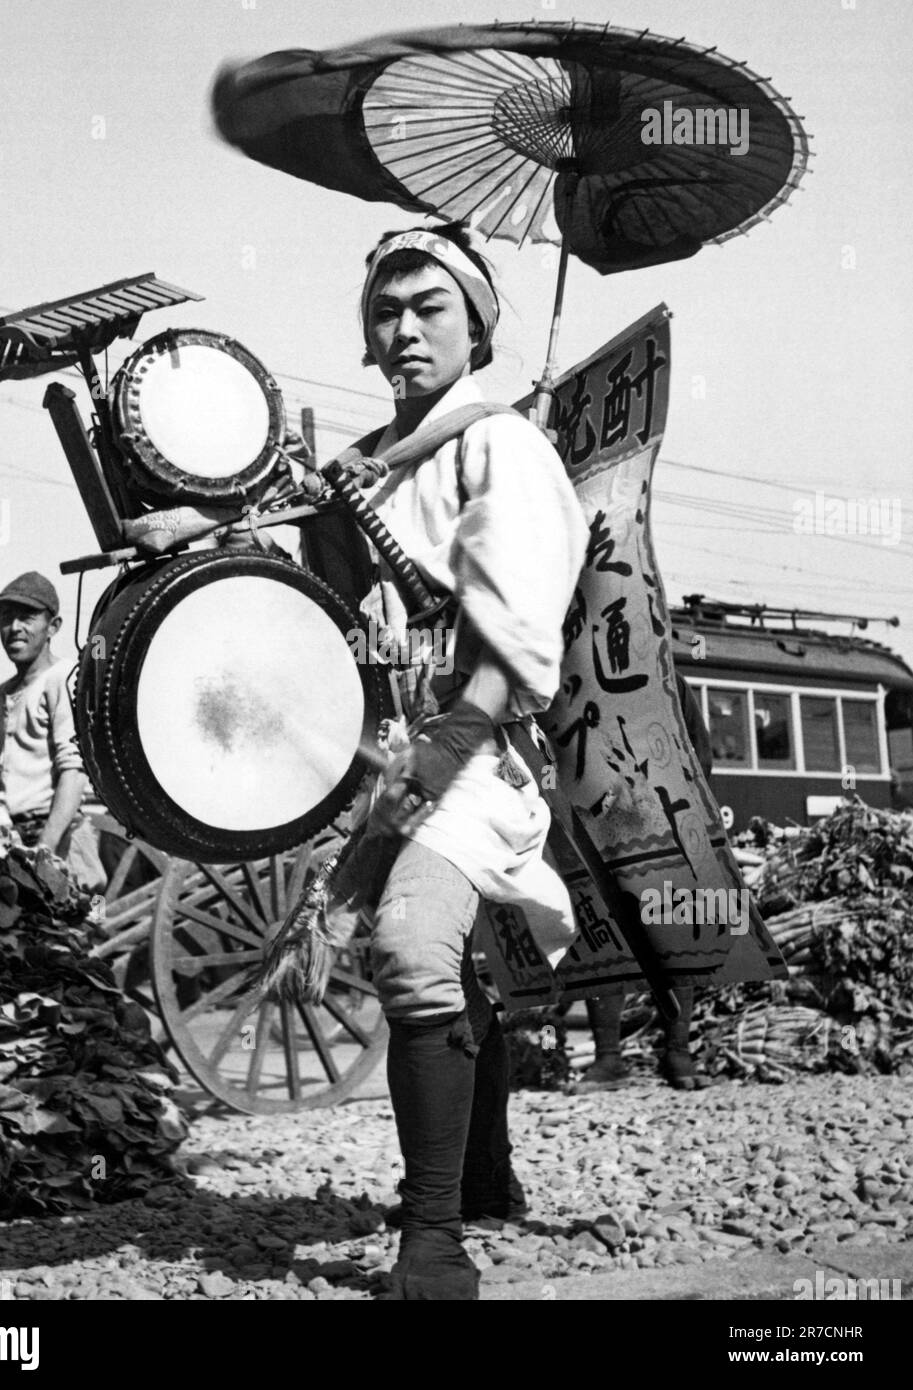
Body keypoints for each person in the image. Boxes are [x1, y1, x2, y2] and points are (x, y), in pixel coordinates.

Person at [352, 223, 589, 1299]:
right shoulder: (370, 468)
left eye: (426, 308)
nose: (401, 328)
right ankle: (484, 1172)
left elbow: (511, 650)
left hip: (479, 755)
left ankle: (434, 1240)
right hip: (395, 759)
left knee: (408, 945)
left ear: (476, 326)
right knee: (446, 973)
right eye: (383, 311)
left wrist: (433, 758)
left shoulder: (505, 450)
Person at [573, 670, 715, 1093]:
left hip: (664, 824)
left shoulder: (669, 679)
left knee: (676, 940)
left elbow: (699, 755)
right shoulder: (580, 681)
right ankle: (609, 1061)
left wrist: (682, 812)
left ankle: (677, 1054)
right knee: (607, 938)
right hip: (603, 828)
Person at [0, 571, 104, 891]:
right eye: (6, 618)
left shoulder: (62, 679)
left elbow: (74, 772)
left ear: (53, 627)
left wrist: (43, 852)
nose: (15, 628)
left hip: (55, 836)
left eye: (27, 617)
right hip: (11, 839)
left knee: (64, 936)